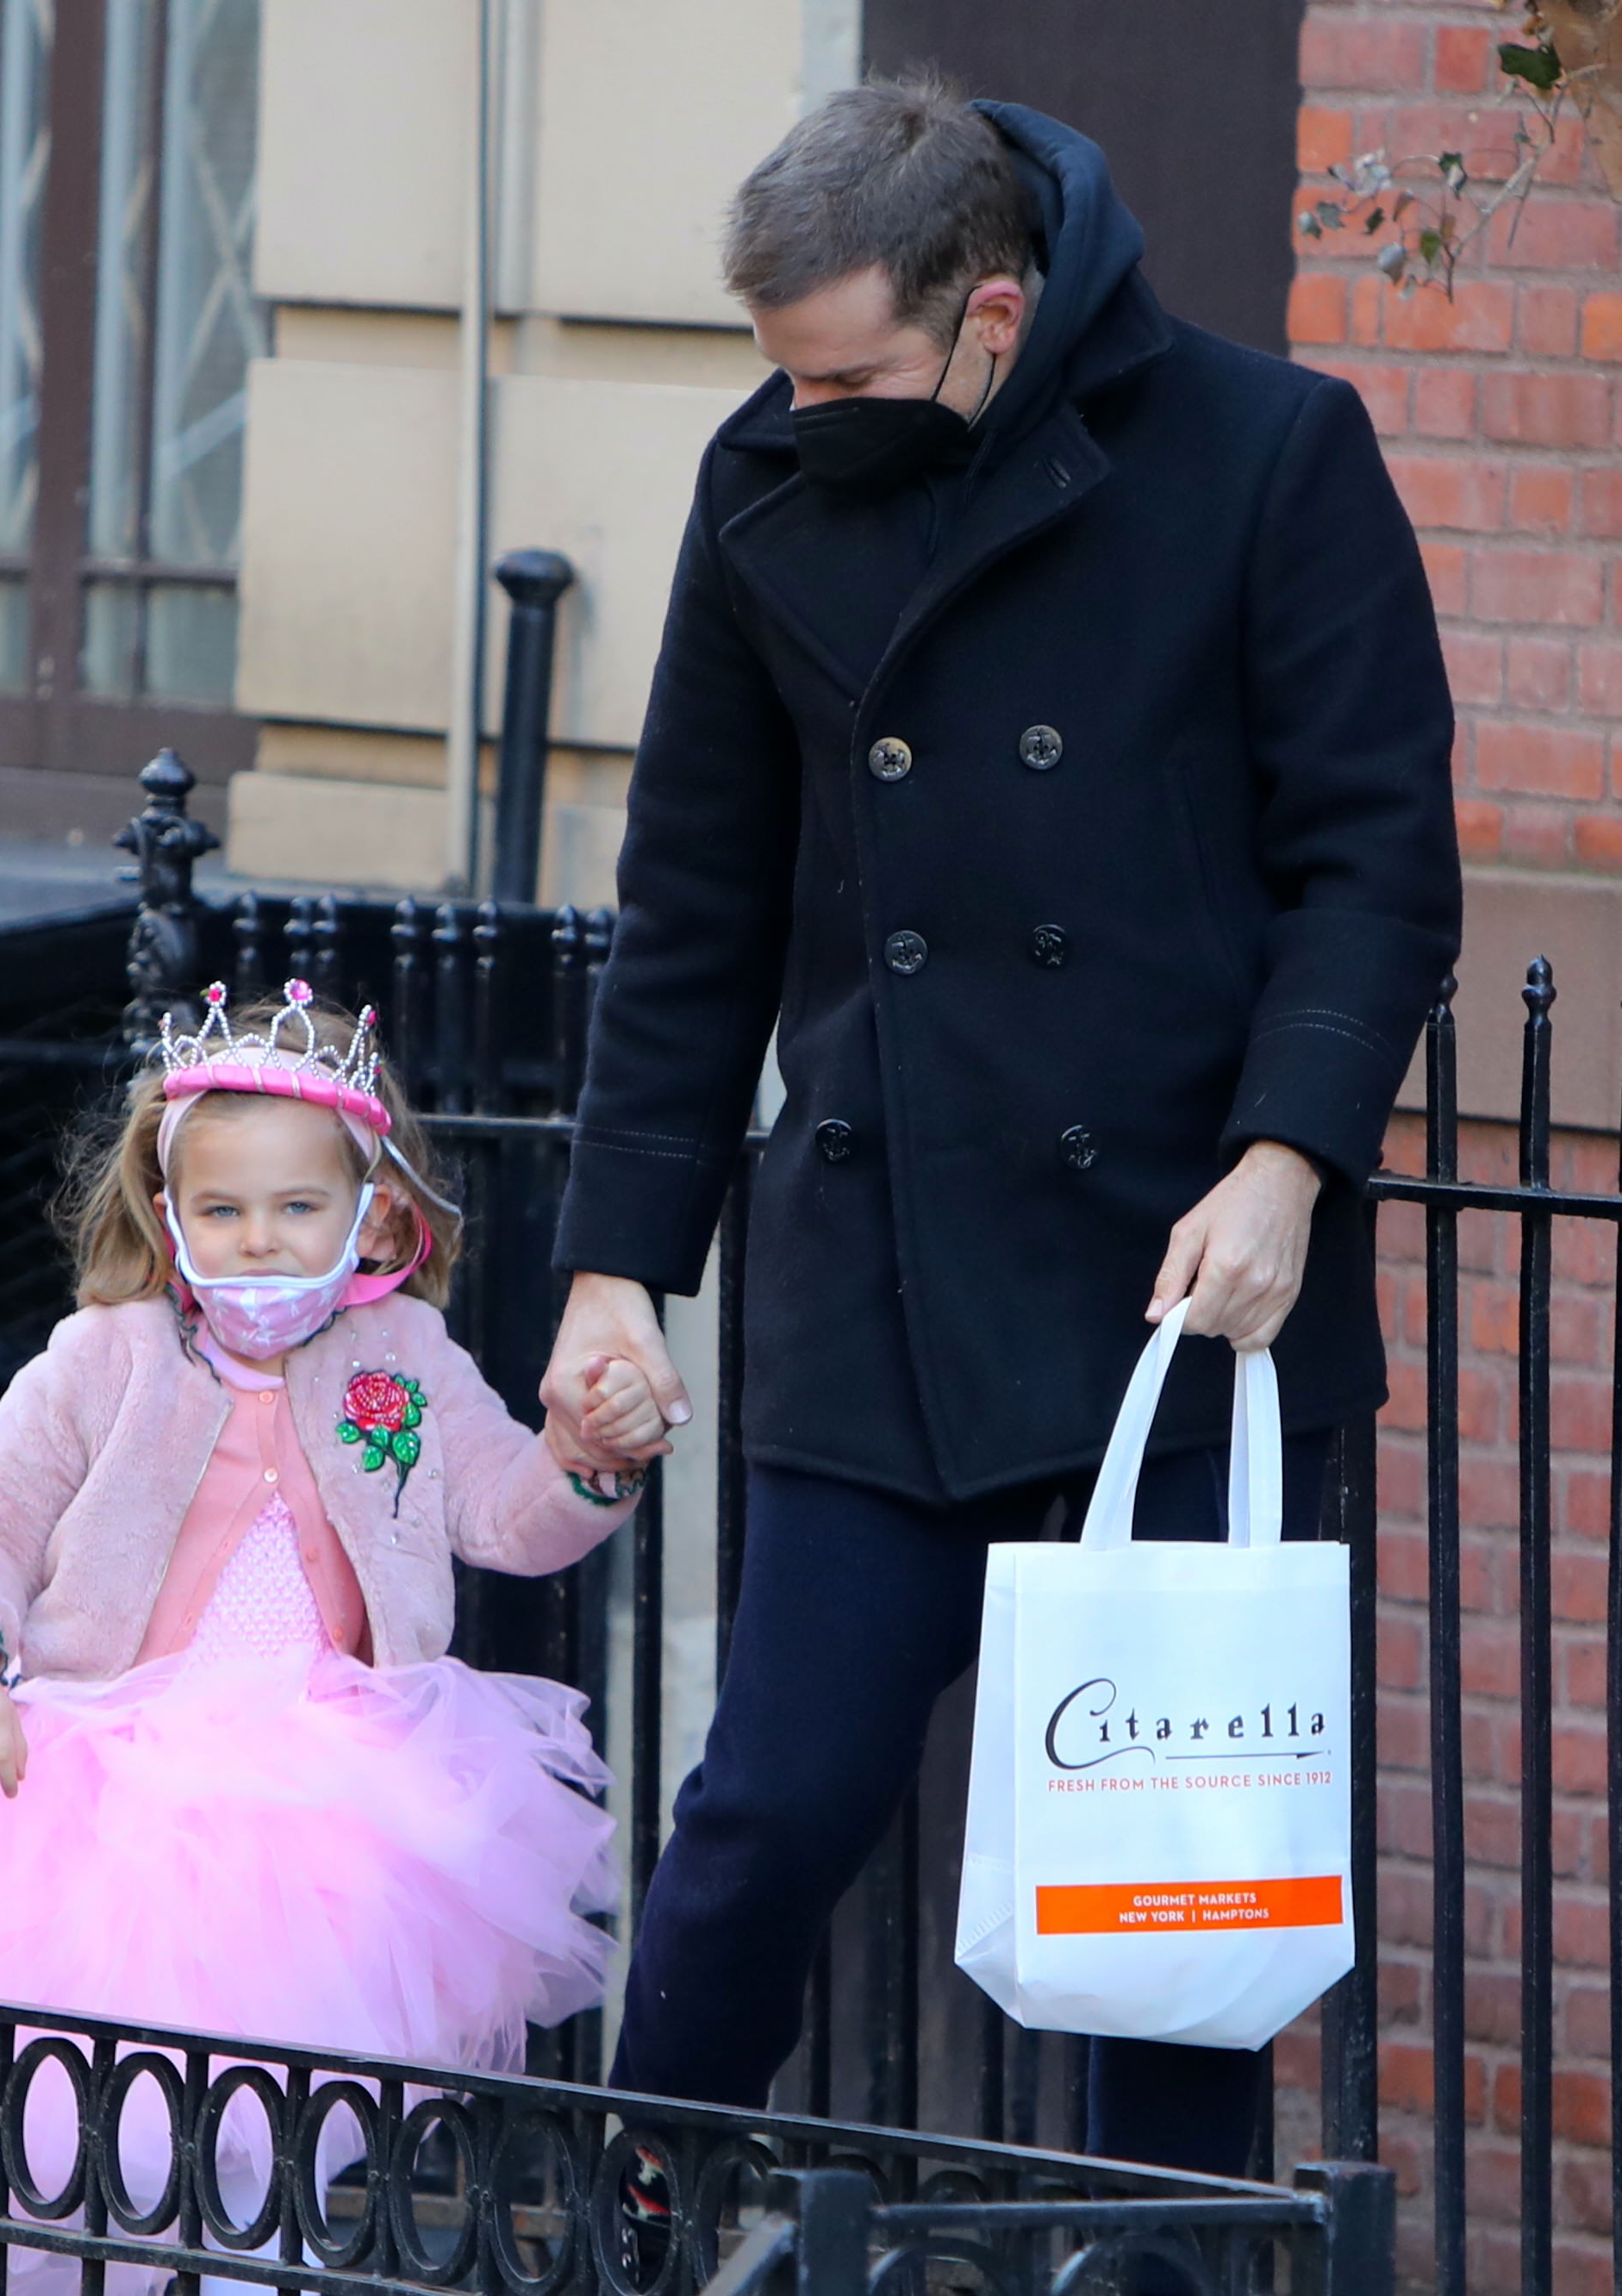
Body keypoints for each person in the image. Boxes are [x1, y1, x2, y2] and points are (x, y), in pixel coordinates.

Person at [540, 81, 1461, 2179]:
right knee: (762, 1818)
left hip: (1181, 1286)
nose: (807, 410)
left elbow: (1373, 863)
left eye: (847, 371)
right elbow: (692, 902)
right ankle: (623, 2225)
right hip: (875, 1270)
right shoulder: (766, 474)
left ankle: (1164, 2257)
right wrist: (617, 1265)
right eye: (782, 372)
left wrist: (1284, 1160)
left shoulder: (1262, 450)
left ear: (992, 312)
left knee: (1166, 1896)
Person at [0, 982, 659, 2284]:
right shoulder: (105, 1355)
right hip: (113, 1786)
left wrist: (586, 1461)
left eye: (296, 1208)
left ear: (371, 1213)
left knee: (272, 2128)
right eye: (223, 1210)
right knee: (93, 2119)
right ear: (171, 1211)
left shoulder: (406, 1353)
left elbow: (501, 1507)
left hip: (333, 1795)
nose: (258, 1240)